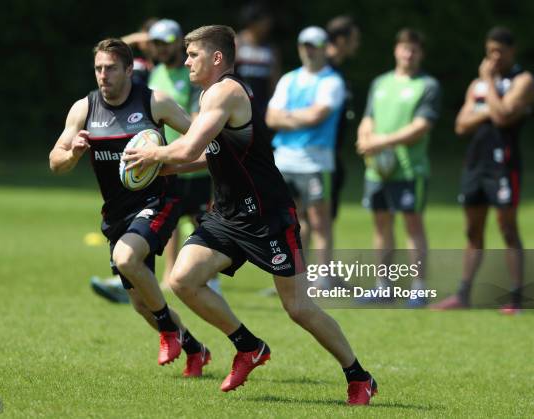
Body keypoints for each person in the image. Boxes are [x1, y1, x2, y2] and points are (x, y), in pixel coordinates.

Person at [122, 25, 377, 405]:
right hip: (227, 215)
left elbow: (190, 144)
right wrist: (163, 168)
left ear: (217, 58)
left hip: (268, 215)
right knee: (183, 279)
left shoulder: (227, 91)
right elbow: (206, 155)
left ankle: (359, 376)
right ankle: (248, 346)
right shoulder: (210, 94)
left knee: (298, 308)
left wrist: (153, 156)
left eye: (194, 55)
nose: (187, 60)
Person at [49, 38, 210, 377]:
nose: (103, 75)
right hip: (116, 213)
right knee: (141, 303)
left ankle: (169, 331)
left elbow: (207, 148)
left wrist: (169, 164)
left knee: (126, 259)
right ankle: (195, 349)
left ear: (128, 69)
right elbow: (55, 162)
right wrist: (73, 153)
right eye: (98, 68)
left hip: (158, 201)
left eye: (110, 68)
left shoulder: (155, 103)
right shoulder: (84, 109)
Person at [91, 20, 221, 302]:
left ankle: (210, 278)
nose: (160, 49)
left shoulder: (191, 75)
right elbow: (111, 53)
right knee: (169, 224)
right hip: (159, 162)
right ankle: (165, 278)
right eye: (156, 44)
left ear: (179, 43)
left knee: (200, 221)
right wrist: (140, 37)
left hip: (190, 161)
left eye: (166, 43)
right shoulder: (155, 71)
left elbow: (199, 119)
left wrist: (192, 146)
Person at [431, 27, 534, 313]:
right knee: (472, 230)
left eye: (500, 51)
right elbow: (460, 125)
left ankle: (517, 299)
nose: (494, 57)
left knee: (507, 228)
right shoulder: (476, 85)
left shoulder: (523, 80)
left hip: (504, 163)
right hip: (475, 165)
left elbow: (503, 118)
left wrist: (489, 87)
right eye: (490, 51)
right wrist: (492, 107)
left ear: (512, 51)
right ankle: (463, 295)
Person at [356, 28, 441, 306]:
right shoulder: (380, 83)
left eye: (414, 49)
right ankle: (384, 285)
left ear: (421, 54)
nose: (408, 53)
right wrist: (364, 138)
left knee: (412, 225)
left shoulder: (427, 85)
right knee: (381, 225)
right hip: (377, 170)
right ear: (396, 50)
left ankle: (418, 287)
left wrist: (381, 142)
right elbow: (368, 117)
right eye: (404, 48)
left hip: (409, 169)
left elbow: (420, 127)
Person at [266, 26, 344, 274]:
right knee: (292, 222)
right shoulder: (289, 79)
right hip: (285, 160)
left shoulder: (332, 81)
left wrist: (286, 117)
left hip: (315, 162)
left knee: (320, 222)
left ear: (325, 49)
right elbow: (270, 118)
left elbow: (317, 115)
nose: (310, 51)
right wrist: (301, 116)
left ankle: (322, 277)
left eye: (315, 46)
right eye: (305, 46)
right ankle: (297, 275)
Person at [326, 15, 361, 220]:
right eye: (354, 39)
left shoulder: (338, 73)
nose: (357, 44)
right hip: (319, 157)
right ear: (341, 40)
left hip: (333, 156)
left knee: (325, 220)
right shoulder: (323, 72)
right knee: (317, 222)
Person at [234, 2, 281, 125]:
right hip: (237, 108)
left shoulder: (271, 50)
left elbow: (274, 83)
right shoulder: (237, 44)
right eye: (264, 21)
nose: (268, 25)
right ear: (252, 22)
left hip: (261, 110)